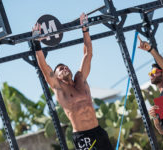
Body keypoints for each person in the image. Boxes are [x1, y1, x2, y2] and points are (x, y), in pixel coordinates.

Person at [31, 13, 113, 150]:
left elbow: (88, 54)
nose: (64, 68)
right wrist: (36, 43)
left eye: (65, 67)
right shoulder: (59, 88)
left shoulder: (81, 79)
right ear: (56, 76)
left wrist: (85, 29)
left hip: (98, 131)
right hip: (83, 136)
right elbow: (45, 68)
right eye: (60, 69)